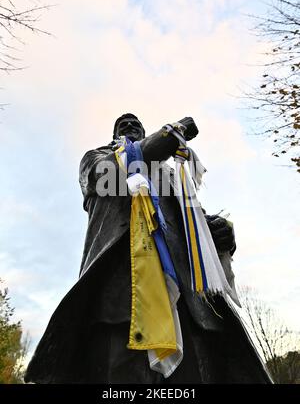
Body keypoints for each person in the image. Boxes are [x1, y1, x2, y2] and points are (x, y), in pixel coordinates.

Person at [25, 114, 272, 384]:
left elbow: (194, 227)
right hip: (120, 305)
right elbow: (112, 172)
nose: (130, 125)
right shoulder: (98, 160)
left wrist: (222, 234)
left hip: (184, 308)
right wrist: (171, 134)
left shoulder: (170, 177)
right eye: (123, 124)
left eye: (135, 124)